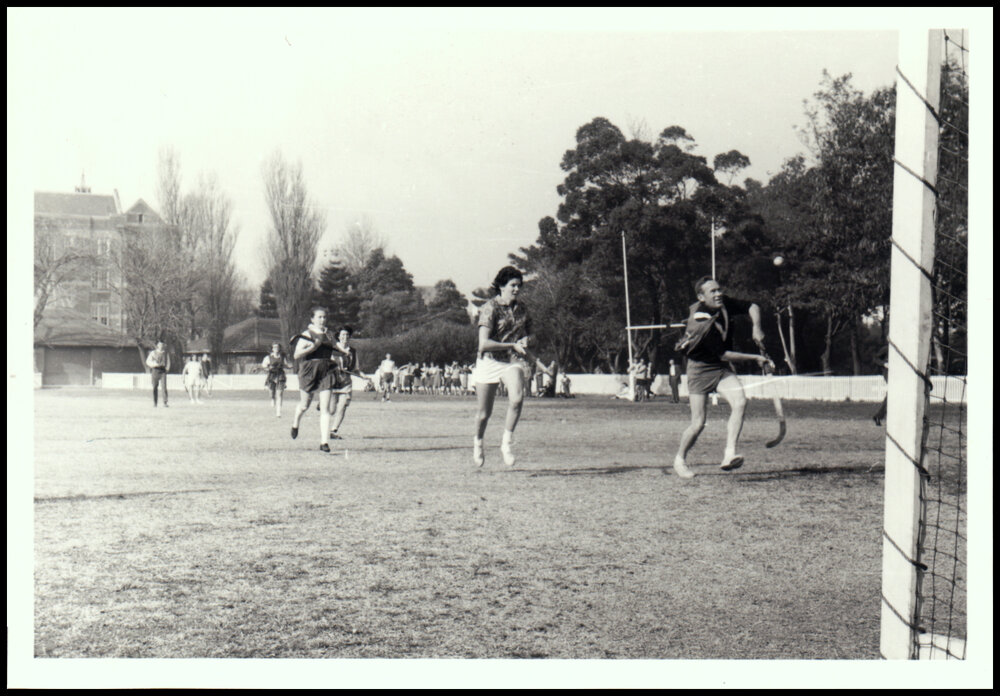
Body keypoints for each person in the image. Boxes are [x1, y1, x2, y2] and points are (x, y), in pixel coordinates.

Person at [672, 277, 772, 479]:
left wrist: (756, 327)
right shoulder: (700, 321)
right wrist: (755, 358)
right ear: (701, 297)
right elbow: (723, 354)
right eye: (712, 292)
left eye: (719, 290)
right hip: (700, 370)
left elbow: (752, 306)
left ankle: (729, 454)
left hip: (720, 368)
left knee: (740, 402)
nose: (718, 294)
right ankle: (680, 460)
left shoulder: (723, 302)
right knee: (698, 422)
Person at [470, 266, 538, 467]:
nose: (517, 289)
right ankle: (478, 442)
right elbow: (483, 343)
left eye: (519, 285)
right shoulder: (490, 307)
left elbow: (534, 335)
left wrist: (528, 339)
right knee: (484, 414)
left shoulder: (523, 309)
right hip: (489, 360)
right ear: (501, 286)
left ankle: (506, 444)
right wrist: (512, 344)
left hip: (511, 361)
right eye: (512, 285)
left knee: (517, 399)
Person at [290, 307, 341, 453]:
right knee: (305, 405)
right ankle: (295, 423)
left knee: (325, 408)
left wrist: (345, 353)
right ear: (312, 319)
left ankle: (324, 442)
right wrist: (313, 347)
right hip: (308, 370)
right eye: (319, 317)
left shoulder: (329, 335)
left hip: (326, 370)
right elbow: (296, 355)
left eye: (324, 317)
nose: (322, 320)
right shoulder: (307, 334)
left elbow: (337, 347)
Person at [328, 326, 365, 440]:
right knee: (331, 410)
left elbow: (355, 369)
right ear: (338, 336)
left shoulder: (353, 351)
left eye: (347, 335)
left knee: (343, 406)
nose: (345, 337)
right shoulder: (332, 349)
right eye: (343, 335)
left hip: (346, 383)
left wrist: (364, 376)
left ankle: (334, 430)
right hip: (333, 381)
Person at [262, 342, 292, 417]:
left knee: (280, 394)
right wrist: (268, 368)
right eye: (274, 347)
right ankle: (272, 398)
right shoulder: (268, 357)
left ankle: (278, 412)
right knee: (271, 392)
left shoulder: (282, 357)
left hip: (280, 375)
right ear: (272, 349)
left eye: (277, 347)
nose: (276, 349)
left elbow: (285, 365)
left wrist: (290, 366)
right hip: (271, 375)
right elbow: (264, 367)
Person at [145, 341, 170, 407]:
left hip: (163, 370)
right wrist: (154, 364)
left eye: (162, 345)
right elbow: (148, 361)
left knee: (164, 386)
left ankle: (165, 402)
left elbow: (168, 361)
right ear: (157, 345)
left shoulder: (165, 353)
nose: (161, 346)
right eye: (160, 345)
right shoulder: (153, 353)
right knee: (155, 386)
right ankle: (155, 402)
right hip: (155, 370)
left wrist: (167, 369)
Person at [872, 344, 889, 426]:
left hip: (898, 373)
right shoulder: (886, 348)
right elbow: (875, 358)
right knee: (893, 394)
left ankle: (878, 416)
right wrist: (884, 364)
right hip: (888, 373)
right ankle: (879, 415)